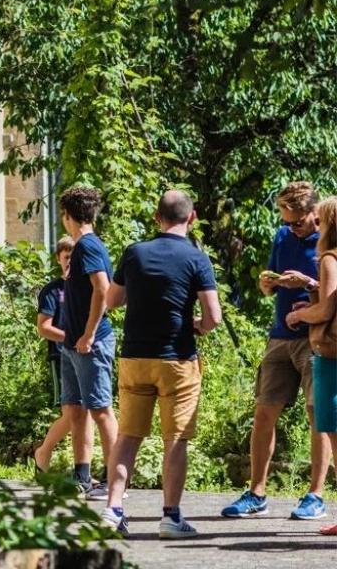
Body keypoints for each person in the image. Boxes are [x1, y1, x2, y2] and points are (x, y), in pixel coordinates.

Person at [100, 191, 222, 538]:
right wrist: (196, 325)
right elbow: (213, 317)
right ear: (192, 217)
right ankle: (170, 516)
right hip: (177, 359)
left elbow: (113, 300)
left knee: (127, 437)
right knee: (176, 439)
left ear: (157, 218)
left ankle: (113, 510)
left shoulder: (135, 252)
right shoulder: (197, 258)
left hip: (134, 356)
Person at [222, 181, 333, 520]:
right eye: (286, 220)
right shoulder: (283, 237)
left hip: (317, 338)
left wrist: (309, 283)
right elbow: (267, 286)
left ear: (314, 213)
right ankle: (256, 491)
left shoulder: (329, 241)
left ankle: (315, 494)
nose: (291, 227)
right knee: (264, 412)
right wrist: (268, 283)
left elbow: (331, 293)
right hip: (280, 335)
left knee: (319, 418)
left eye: (297, 221)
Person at [58, 185, 118, 499]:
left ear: (67, 216)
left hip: (89, 343)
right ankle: (82, 476)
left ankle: (115, 480)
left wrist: (89, 333)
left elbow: (102, 289)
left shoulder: (88, 246)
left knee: (101, 409)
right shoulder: (84, 246)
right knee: (76, 410)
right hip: (71, 344)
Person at [284, 195, 337, 536]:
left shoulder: (330, 259)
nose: (316, 227)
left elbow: (326, 313)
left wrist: (300, 313)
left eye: (321, 221)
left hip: (331, 355)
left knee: (332, 430)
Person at [33, 236, 95, 476]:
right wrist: (71, 338)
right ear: (59, 258)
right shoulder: (53, 290)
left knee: (87, 412)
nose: (71, 261)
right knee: (71, 415)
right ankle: (44, 451)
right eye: (67, 256)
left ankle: (85, 471)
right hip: (61, 356)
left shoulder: (88, 286)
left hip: (86, 353)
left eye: (75, 257)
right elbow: (43, 327)